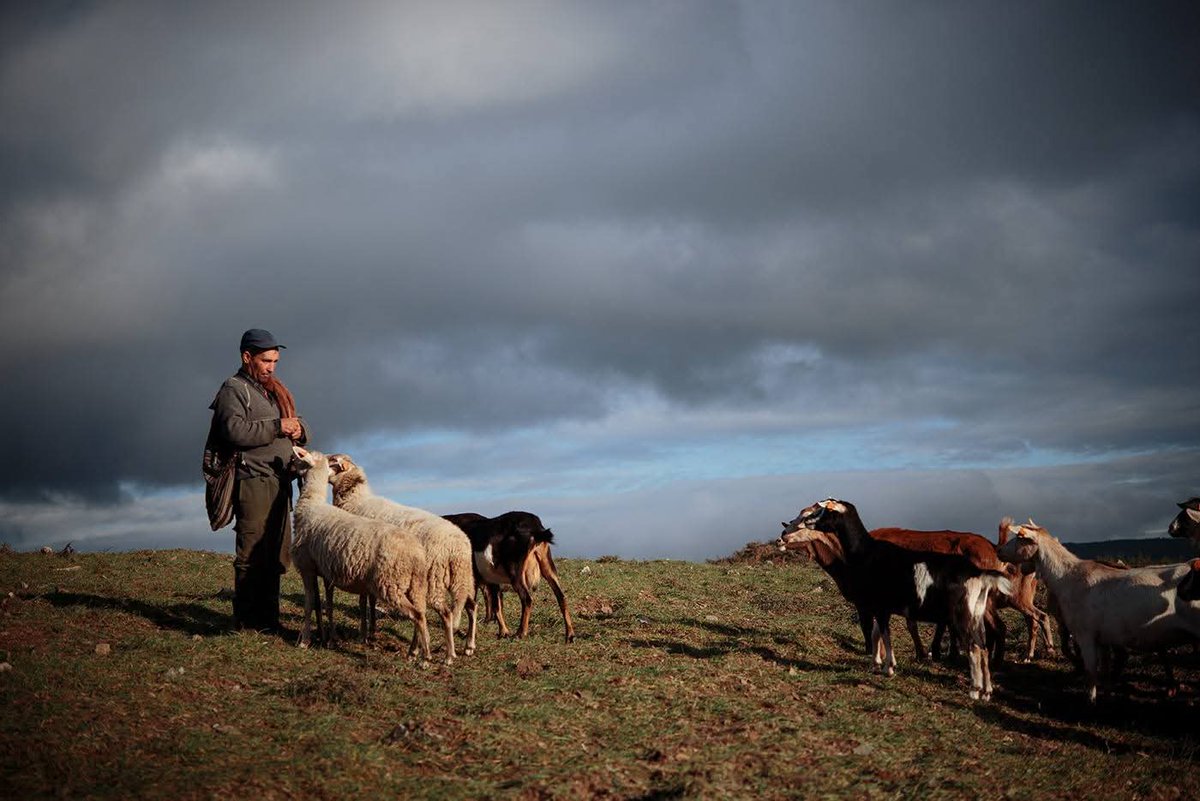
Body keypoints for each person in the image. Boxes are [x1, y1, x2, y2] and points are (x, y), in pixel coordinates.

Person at [208, 328, 308, 632]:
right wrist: (279, 426)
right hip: (252, 479)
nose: (271, 367)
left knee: (277, 552)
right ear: (247, 357)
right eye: (266, 360)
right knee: (252, 551)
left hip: (281, 481)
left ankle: (270, 622)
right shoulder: (233, 389)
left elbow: (297, 423)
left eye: (275, 361)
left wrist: (299, 431)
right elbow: (234, 431)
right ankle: (248, 625)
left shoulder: (275, 390)